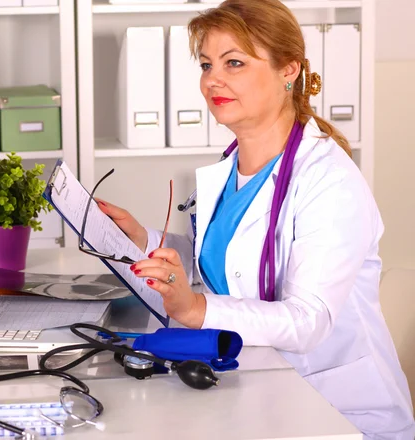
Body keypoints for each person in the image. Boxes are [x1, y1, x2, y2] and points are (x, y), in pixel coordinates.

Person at [95, 0, 415, 438]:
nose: (213, 80)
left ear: (289, 70)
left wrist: (196, 308)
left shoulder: (329, 180)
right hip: (260, 389)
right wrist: (143, 238)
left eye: (235, 63)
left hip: (336, 414)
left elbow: (307, 321)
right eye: (207, 64)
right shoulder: (234, 167)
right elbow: (232, 259)